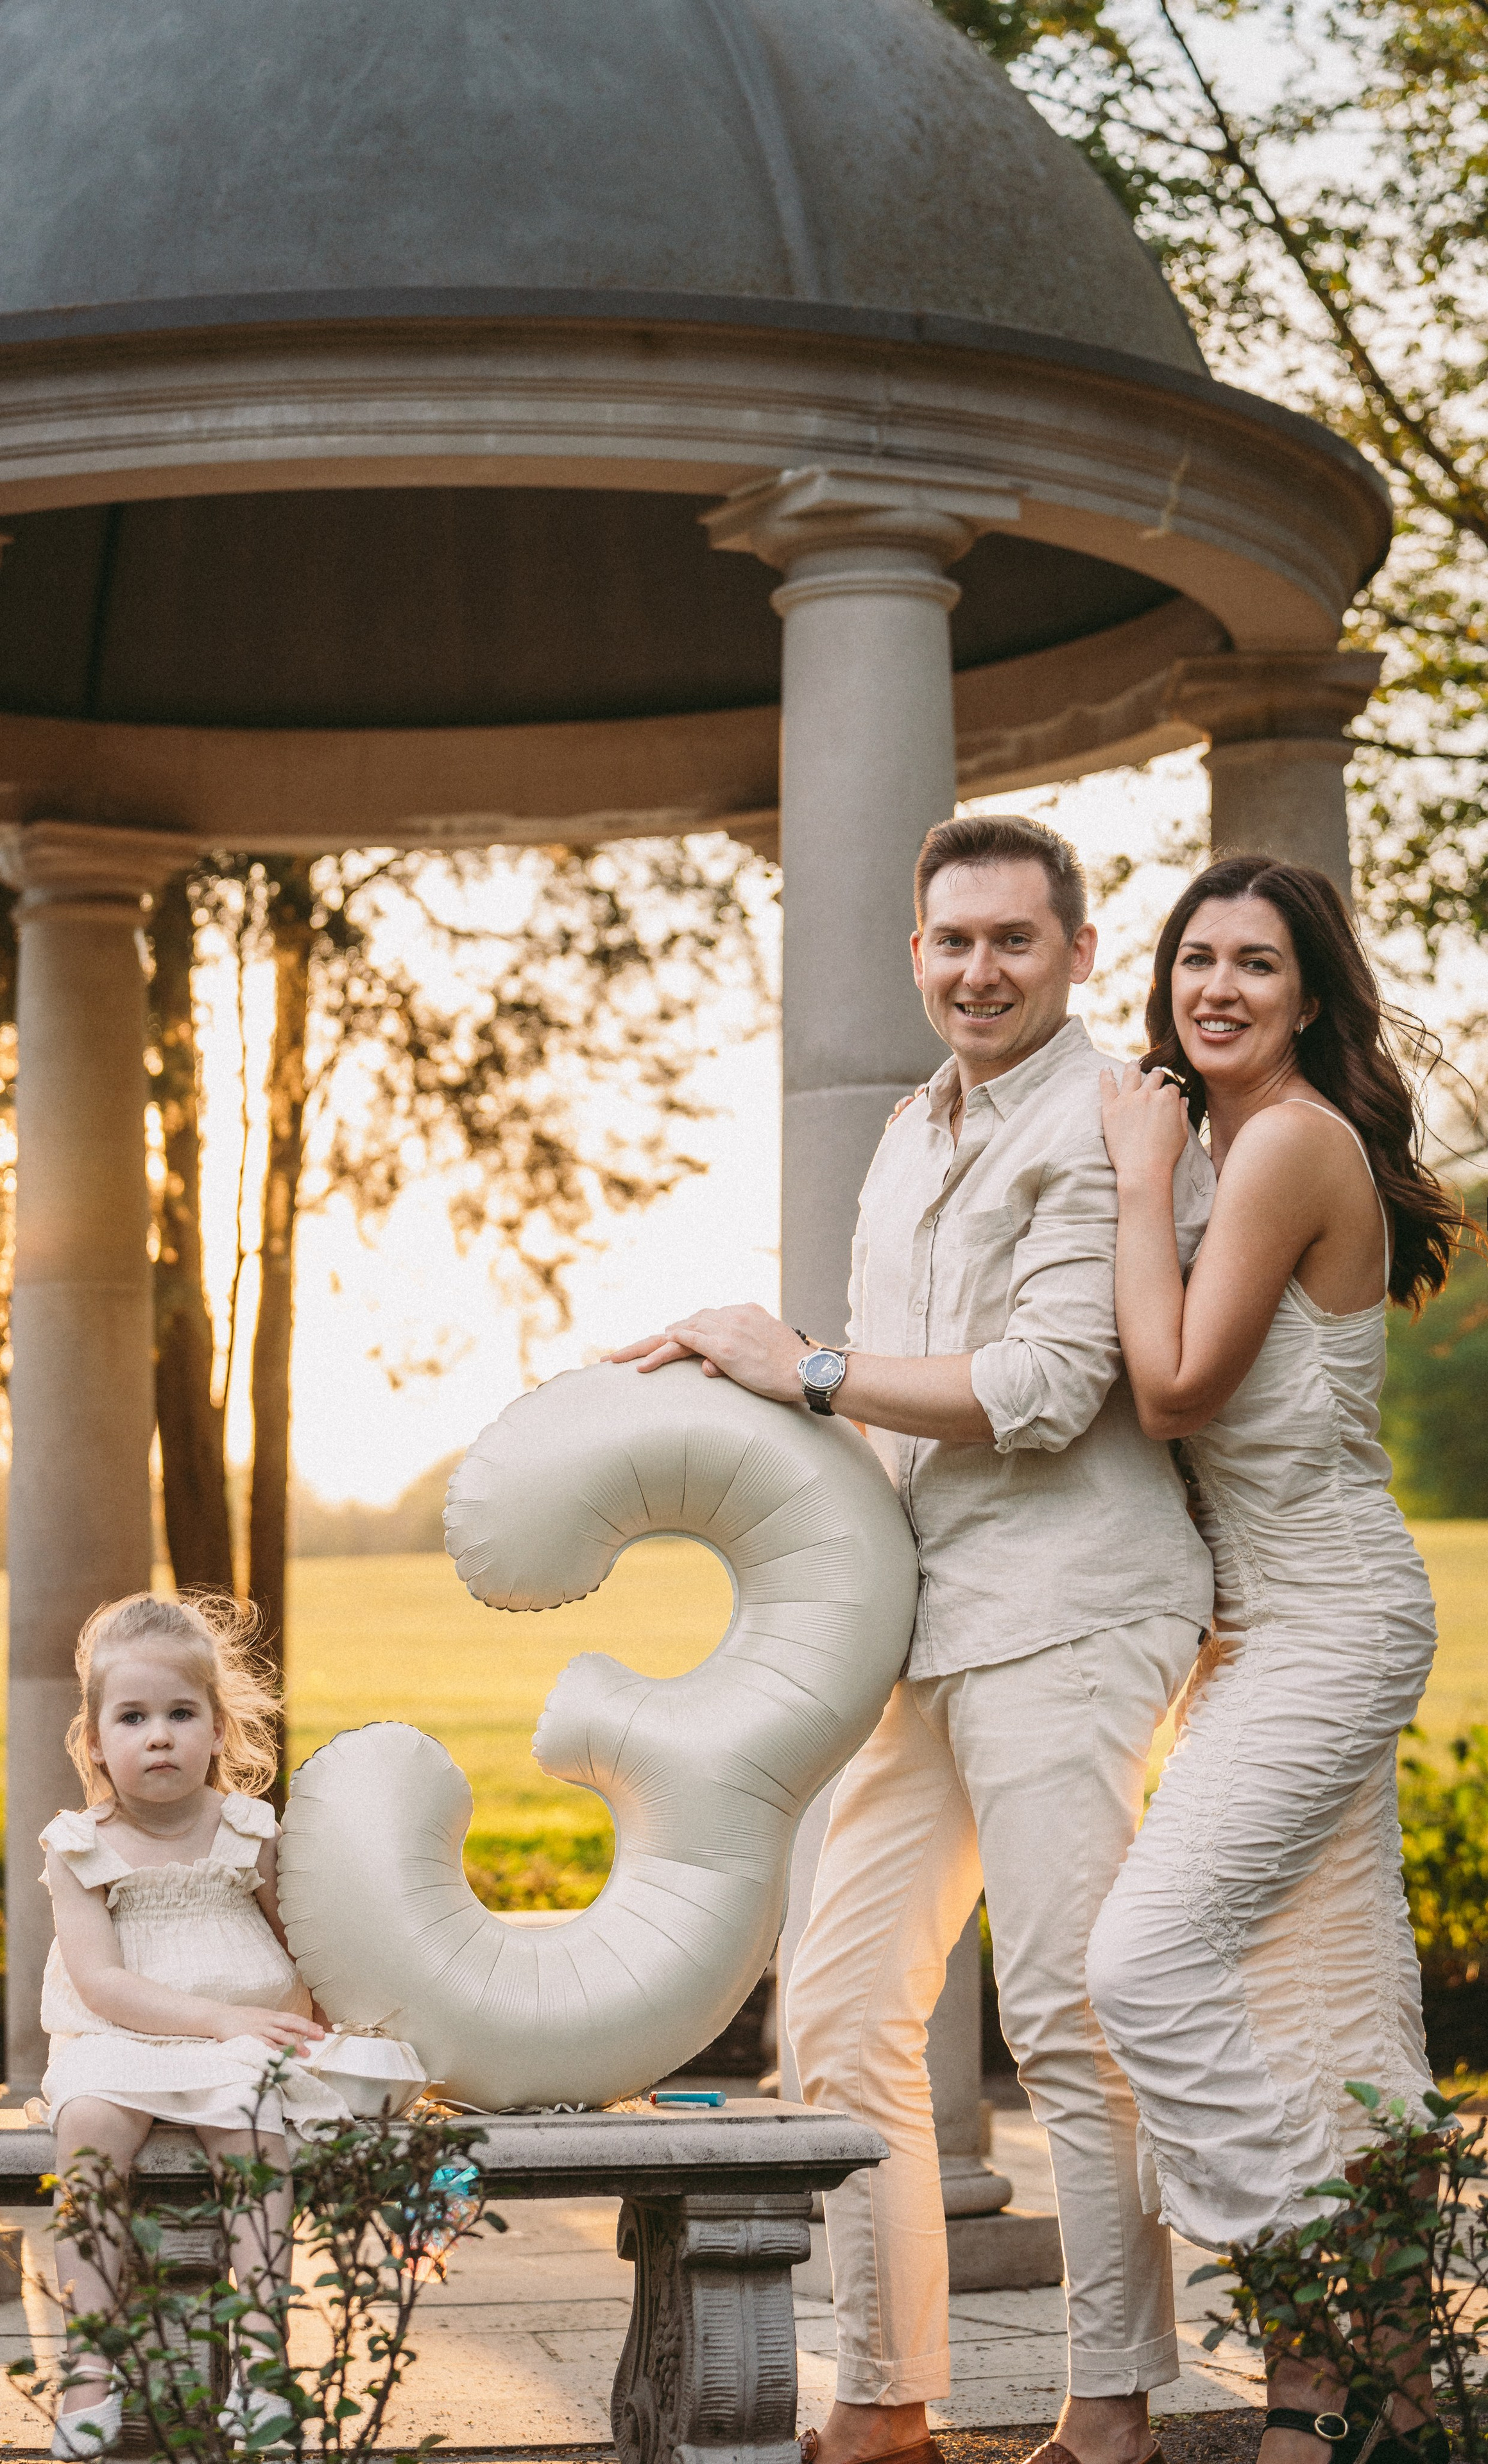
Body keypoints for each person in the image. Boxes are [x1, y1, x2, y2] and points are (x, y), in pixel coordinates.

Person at [611, 812, 1217, 2464]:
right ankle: (885, 2404)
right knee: (836, 2006)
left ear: (1077, 951)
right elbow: (883, 1384)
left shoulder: (1111, 1121)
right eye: (951, 940)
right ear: (913, 955)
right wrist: (734, 1376)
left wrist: (802, 1364)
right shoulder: (905, 1128)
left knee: (1065, 2017)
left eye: (1012, 939)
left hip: (1072, 1613)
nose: (978, 970)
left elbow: (1048, 1388)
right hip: (920, 1623)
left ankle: (1111, 2407)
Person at [1086, 854, 1458, 2464]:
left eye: (1252, 962)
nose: (1216, 988)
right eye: (1194, 959)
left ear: (1308, 997)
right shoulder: (1227, 1148)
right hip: (1267, 1630)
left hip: (1329, 1619)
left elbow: (1172, 1387)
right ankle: (1385, 2394)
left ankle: (1313, 2327)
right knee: (1325, 2009)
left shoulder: (1287, 1144)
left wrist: (1131, 1178)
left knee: (1144, 1964)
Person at [37, 1591, 352, 2457]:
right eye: (132, 1717)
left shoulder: (247, 1830)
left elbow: (304, 1943)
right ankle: (89, 2370)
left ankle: (261, 2363)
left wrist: (337, 2028)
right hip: (118, 2039)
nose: (159, 1737)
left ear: (218, 1730)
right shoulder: (80, 1846)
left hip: (242, 2044)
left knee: (254, 2127)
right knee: (88, 2129)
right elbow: (102, 1983)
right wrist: (216, 2019)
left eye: (181, 1714)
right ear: (94, 1741)